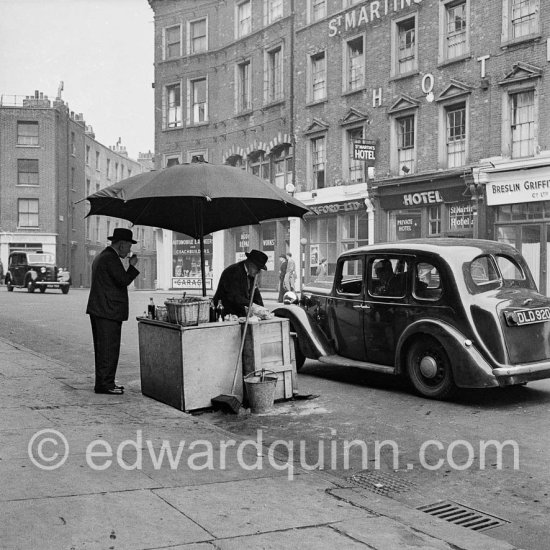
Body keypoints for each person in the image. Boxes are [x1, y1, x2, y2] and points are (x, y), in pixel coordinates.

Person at [86, 228, 140, 395]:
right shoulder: (110, 259)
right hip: (107, 311)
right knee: (109, 349)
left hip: (101, 310)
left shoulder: (103, 256)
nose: (130, 250)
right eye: (129, 246)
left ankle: (105, 382)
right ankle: (105, 384)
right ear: (122, 244)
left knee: (104, 349)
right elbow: (122, 281)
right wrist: (131, 267)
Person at [213, 249, 267, 317]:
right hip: (224, 313)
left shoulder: (251, 274)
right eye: (258, 269)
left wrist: (262, 309)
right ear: (250, 263)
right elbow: (235, 297)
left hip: (239, 313)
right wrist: (253, 305)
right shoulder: (233, 271)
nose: (258, 272)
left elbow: (256, 294)